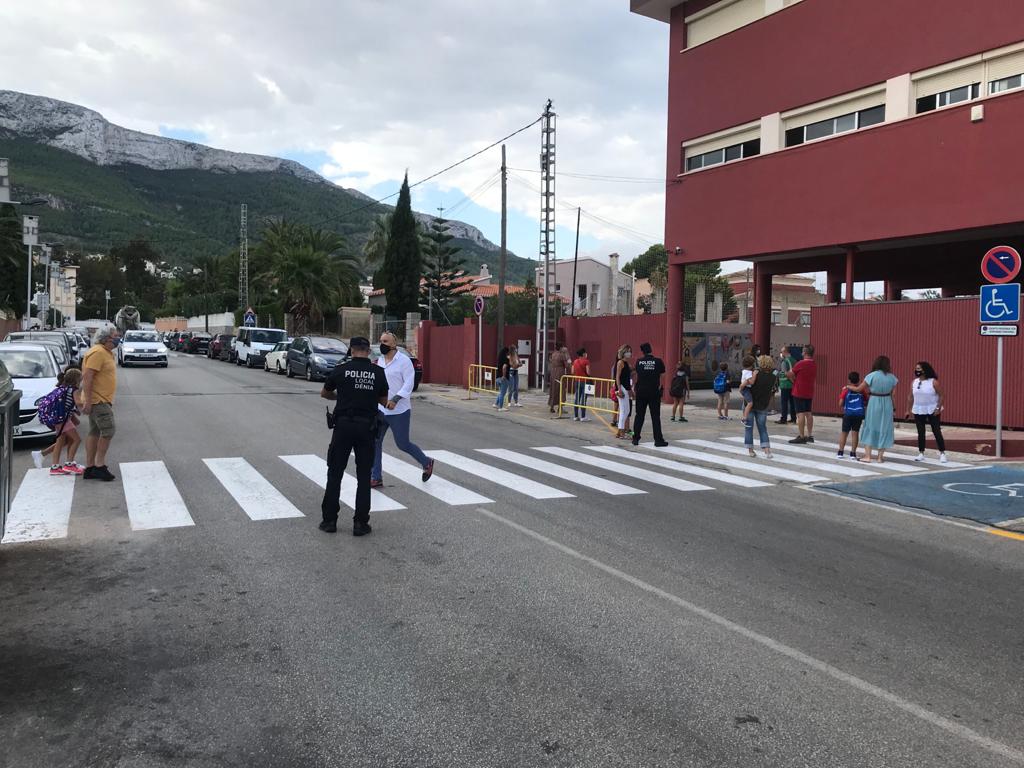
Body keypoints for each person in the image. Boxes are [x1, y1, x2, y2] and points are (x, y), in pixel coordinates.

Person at [319, 337, 388, 536]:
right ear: (368, 351)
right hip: (366, 428)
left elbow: (325, 393)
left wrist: (342, 397)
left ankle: (329, 521)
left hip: (342, 427)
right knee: (364, 476)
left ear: (351, 350)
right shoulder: (378, 372)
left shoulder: (341, 369)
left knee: (335, 473)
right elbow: (383, 400)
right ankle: (360, 523)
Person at [370, 331, 435, 488]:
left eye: (385, 341)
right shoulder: (379, 361)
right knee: (375, 442)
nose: (382, 344)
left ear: (394, 343)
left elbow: (409, 384)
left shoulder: (404, 361)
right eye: (380, 341)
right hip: (380, 410)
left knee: (402, 444)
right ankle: (376, 477)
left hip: (399, 411)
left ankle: (426, 462)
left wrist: (396, 399)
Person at [81, 326, 121, 481]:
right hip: (98, 401)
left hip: (101, 400)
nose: (117, 339)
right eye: (115, 336)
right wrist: (89, 402)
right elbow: (88, 377)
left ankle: (90, 467)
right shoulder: (98, 352)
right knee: (108, 430)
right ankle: (99, 466)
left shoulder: (104, 352)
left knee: (95, 432)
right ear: (106, 338)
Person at [32, 367, 84, 475]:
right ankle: (69, 464)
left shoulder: (65, 388)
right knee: (76, 440)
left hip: (59, 418)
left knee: (63, 441)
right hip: (63, 420)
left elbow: (67, 404)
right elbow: (78, 403)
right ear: (76, 380)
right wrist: (88, 405)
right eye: (80, 379)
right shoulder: (73, 390)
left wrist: (74, 410)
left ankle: (54, 465)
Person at [854, 355, 899, 463]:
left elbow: (859, 388)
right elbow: (893, 395)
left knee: (870, 426)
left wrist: (849, 387)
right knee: (884, 427)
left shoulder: (871, 375)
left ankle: (868, 456)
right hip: (887, 402)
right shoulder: (892, 378)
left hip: (874, 401)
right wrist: (894, 408)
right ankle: (880, 457)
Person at [906, 361, 948, 463]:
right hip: (918, 409)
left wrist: (938, 408)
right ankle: (921, 453)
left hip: (932, 409)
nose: (917, 371)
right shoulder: (914, 382)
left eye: (919, 369)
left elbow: (942, 395)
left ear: (925, 370)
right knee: (921, 432)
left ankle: (942, 453)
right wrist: (908, 410)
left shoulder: (933, 382)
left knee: (936, 430)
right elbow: (910, 397)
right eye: (916, 369)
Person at [631, 342, 669, 447]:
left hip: (641, 392)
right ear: (651, 350)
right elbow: (663, 376)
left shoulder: (639, 362)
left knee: (639, 416)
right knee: (655, 417)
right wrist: (659, 386)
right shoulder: (658, 361)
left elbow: (637, 374)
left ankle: (635, 438)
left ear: (642, 352)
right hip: (653, 392)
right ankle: (658, 440)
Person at [744, 355, 776, 458]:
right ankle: (767, 450)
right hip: (762, 405)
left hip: (750, 403)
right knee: (762, 428)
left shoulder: (755, 373)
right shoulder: (773, 376)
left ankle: (751, 451)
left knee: (749, 428)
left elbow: (747, 384)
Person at [786, 344, 817, 444]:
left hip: (799, 390)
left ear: (805, 352)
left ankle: (802, 436)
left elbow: (790, 374)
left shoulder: (800, 363)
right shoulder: (814, 364)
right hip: (809, 390)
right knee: (808, 413)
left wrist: (790, 377)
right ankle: (810, 435)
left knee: (800, 413)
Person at [837, 371, 866, 460]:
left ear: (849, 380)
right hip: (858, 414)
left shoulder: (846, 390)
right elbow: (865, 401)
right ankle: (853, 453)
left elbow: (840, 403)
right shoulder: (861, 390)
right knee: (855, 433)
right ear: (859, 380)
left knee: (844, 433)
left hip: (848, 414)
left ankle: (841, 452)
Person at [614, 344, 634, 440]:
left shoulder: (626, 364)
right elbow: (617, 377)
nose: (629, 353)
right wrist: (619, 389)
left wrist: (630, 390)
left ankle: (619, 431)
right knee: (624, 411)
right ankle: (621, 432)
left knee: (626, 411)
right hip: (622, 388)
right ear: (623, 353)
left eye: (630, 351)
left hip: (626, 388)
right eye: (628, 351)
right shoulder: (620, 363)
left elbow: (627, 378)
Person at [776, 346, 797, 424]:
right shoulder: (794, 360)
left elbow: (785, 373)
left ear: (786, 352)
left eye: (782, 352)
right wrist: (794, 383)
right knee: (792, 403)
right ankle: (793, 418)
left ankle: (783, 418)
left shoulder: (784, 361)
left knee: (784, 402)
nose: (781, 353)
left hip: (785, 385)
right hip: (793, 386)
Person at [547, 344, 570, 413]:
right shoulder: (562, 355)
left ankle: (552, 406)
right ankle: (560, 408)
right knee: (561, 389)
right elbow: (567, 365)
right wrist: (567, 355)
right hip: (560, 373)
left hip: (553, 373)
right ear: (561, 348)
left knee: (553, 389)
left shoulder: (553, 354)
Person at [571, 348, 591, 421]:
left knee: (577, 398)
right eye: (585, 353)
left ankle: (576, 416)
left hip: (577, 381)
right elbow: (588, 372)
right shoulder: (586, 361)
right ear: (583, 354)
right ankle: (583, 416)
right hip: (585, 381)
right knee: (583, 399)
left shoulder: (575, 361)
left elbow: (572, 371)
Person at [738, 354, 756, 426]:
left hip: (745, 388)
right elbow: (751, 382)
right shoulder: (748, 372)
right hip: (746, 389)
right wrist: (754, 374)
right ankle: (744, 418)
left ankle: (744, 417)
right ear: (751, 365)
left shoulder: (745, 371)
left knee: (746, 403)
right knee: (750, 403)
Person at [494, 347, 511, 411]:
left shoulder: (500, 359)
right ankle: (500, 407)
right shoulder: (506, 360)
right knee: (502, 393)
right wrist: (504, 376)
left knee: (500, 392)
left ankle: (496, 404)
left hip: (498, 377)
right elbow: (504, 367)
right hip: (504, 378)